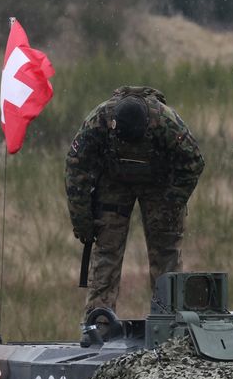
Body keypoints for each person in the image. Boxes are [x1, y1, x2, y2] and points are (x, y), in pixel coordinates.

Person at [66, 86, 205, 323]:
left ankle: (170, 321)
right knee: (107, 250)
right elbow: (76, 166)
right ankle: (99, 321)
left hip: (159, 182)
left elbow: (193, 162)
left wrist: (171, 206)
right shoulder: (98, 120)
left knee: (165, 252)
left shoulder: (166, 122)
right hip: (114, 180)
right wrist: (83, 221)